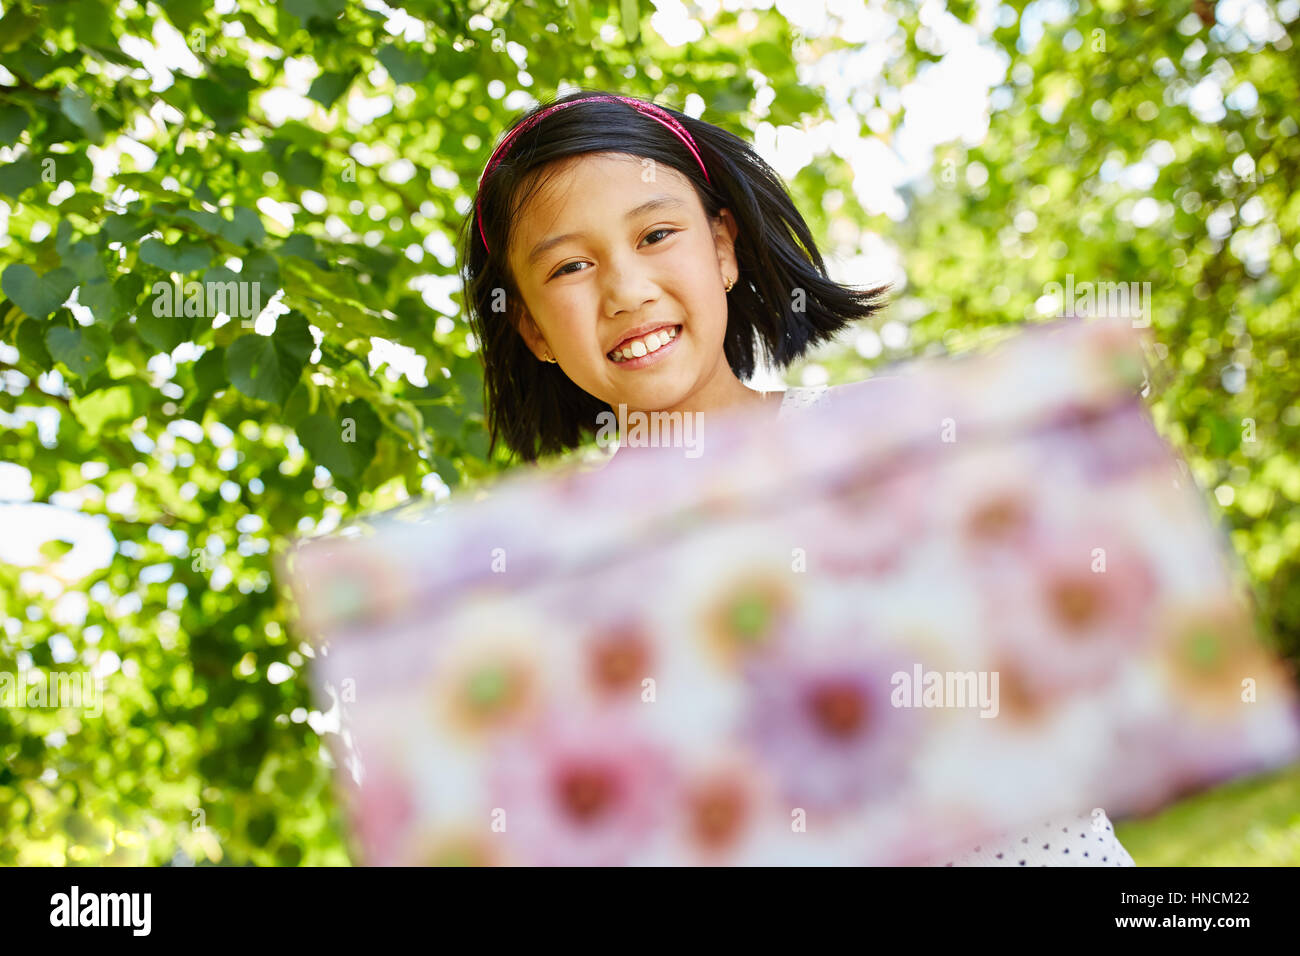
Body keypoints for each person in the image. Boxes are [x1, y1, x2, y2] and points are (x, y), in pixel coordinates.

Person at [458, 88, 1136, 866]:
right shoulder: (558, 592)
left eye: (655, 234)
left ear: (722, 246)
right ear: (534, 328)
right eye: (571, 265)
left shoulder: (899, 447)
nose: (626, 290)